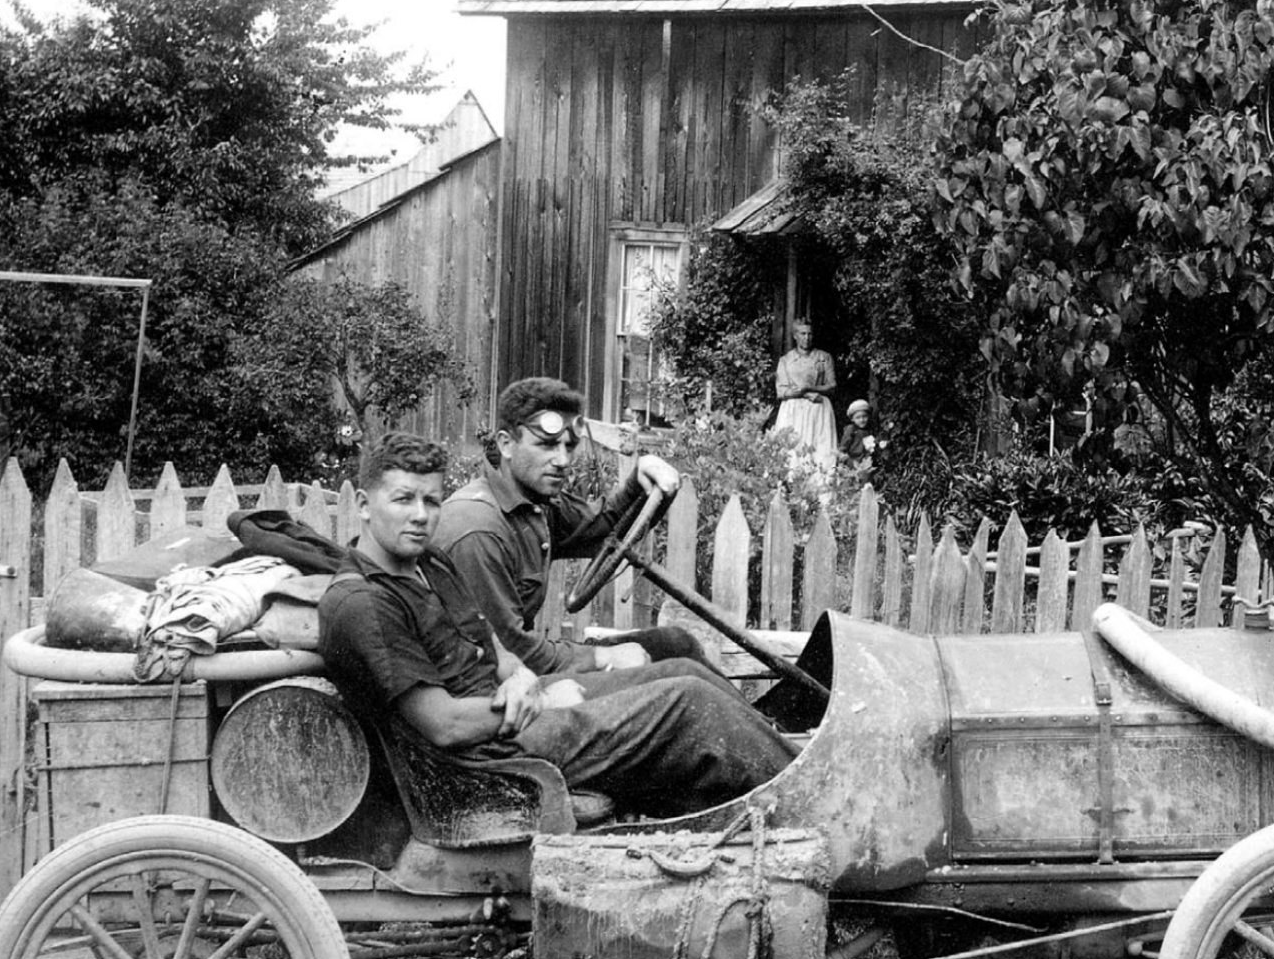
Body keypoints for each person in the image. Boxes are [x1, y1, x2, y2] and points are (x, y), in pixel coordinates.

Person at [318, 433, 796, 819]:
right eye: (403, 500)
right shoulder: (365, 602)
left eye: (431, 501)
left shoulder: (428, 562)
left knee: (683, 670)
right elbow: (442, 726)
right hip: (481, 762)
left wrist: (521, 677)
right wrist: (542, 701)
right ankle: (811, 798)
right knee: (689, 705)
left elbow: (493, 644)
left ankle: (780, 774)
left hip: (509, 714)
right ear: (363, 504)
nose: (421, 516)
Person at [434, 377, 715, 679]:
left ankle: (766, 727)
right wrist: (600, 656)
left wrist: (639, 482)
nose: (563, 460)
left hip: (530, 670)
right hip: (503, 693)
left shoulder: (533, 503)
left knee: (673, 644)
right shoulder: (477, 528)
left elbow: (604, 529)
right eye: (547, 445)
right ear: (506, 444)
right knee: (682, 680)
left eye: (570, 446)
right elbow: (508, 651)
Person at [770, 317, 837, 483]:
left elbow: (832, 386)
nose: (806, 338)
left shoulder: (823, 357)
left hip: (818, 410)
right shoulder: (786, 361)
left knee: (821, 452)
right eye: (802, 334)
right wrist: (803, 394)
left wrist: (809, 389)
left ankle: (822, 497)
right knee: (793, 453)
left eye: (809, 334)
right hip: (793, 411)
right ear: (795, 336)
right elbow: (782, 391)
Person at [837, 399, 882, 486]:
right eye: (858, 417)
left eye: (864, 416)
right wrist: (845, 459)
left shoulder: (869, 430)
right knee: (851, 485)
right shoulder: (851, 430)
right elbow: (843, 448)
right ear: (852, 419)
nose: (862, 420)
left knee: (865, 485)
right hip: (852, 462)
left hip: (865, 463)